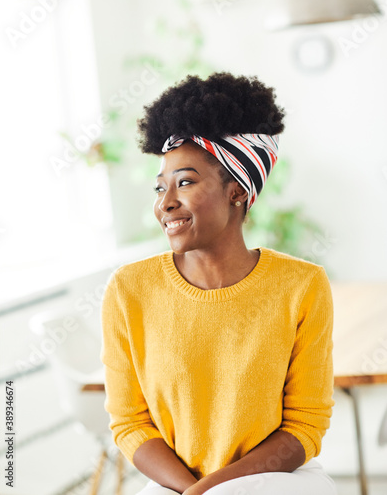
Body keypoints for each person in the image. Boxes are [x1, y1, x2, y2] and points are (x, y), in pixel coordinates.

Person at [100, 72, 337, 495]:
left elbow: (305, 423)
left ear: (237, 192)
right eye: (161, 186)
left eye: (186, 182)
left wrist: (213, 489)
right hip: (172, 483)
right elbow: (129, 421)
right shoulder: (128, 289)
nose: (165, 202)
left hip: (275, 481)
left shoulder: (302, 285)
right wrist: (192, 491)